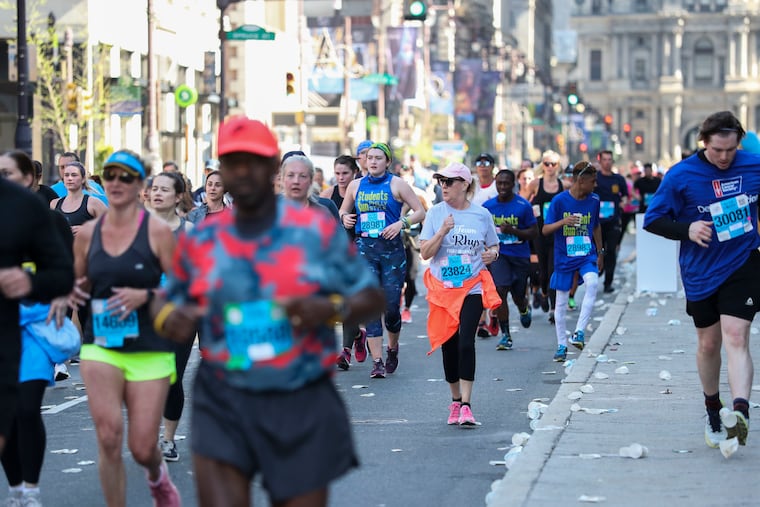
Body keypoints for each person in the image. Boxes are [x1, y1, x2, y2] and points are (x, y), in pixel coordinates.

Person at [152, 115, 384, 507]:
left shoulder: (313, 229)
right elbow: (167, 306)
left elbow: (371, 297)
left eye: (254, 161)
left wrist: (326, 307)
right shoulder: (206, 238)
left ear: (270, 168)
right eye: (233, 162)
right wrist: (175, 316)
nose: (244, 172)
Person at [60, 149, 181, 505]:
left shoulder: (157, 232)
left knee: (142, 447)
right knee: (109, 438)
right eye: (109, 176)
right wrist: (70, 293)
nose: (116, 183)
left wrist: (147, 295)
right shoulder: (88, 235)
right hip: (101, 344)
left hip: (150, 347)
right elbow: (79, 284)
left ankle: (157, 477)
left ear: (139, 186)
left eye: (125, 177)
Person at [644, 111, 760, 449]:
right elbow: (654, 220)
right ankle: (713, 408)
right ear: (703, 143)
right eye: (717, 151)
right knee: (709, 345)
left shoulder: (753, 166)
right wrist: (687, 229)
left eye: (731, 150)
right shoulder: (681, 175)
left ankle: (740, 411)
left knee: (737, 336)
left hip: (743, 262)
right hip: (700, 271)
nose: (724, 158)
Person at [0, 150, 74, 507]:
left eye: (9, 173)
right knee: (6, 417)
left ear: (30, 178)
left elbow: (65, 272)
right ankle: (14, 487)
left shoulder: (48, 219)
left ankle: (30, 490)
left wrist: (49, 290)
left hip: (36, 328)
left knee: (26, 408)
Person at [420, 162, 501, 426]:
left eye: (450, 181)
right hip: (443, 290)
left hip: (472, 287)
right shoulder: (435, 214)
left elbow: (493, 246)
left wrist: (493, 254)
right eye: (441, 181)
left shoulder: (481, 215)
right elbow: (425, 253)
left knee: (467, 341)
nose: (444, 186)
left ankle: (466, 404)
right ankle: (454, 401)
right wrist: (442, 231)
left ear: (465, 184)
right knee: (450, 345)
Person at [339, 142, 425, 378]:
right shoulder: (356, 186)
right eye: (370, 158)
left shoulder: (397, 184)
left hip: (392, 253)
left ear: (387, 162)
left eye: (379, 158)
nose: (373, 161)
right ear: (365, 161)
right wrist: (345, 218)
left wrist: (401, 223)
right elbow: (343, 211)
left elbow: (420, 211)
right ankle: (377, 361)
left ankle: (393, 348)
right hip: (365, 250)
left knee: (391, 310)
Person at [150, 171, 194, 463]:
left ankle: (167, 439)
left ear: (178, 196)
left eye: (164, 190)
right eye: (154, 189)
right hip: (143, 312)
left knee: (171, 376)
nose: (157, 194)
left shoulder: (189, 231)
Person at [542, 161, 603, 362]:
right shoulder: (559, 201)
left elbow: (595, 226)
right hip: (564, 257)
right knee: (560, 303)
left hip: (586, 254)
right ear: (581, 180)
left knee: (593, 283)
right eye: (592, 181)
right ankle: (561, 345)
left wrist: (600, 251)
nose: (595, 185)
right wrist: (563, 222)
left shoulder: (594, 200)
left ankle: (579, 332)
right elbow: (545, 229)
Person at [321, 155, 368, 369]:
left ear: (355, 173)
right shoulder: (327, 197)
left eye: (345, 173)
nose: (341, 177)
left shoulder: (363, 191)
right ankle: (358, 334)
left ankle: (346, 351)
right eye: (337, 173)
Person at [482, 170, 538, 350]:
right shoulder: (488, 206)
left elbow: (534, 232)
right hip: (499, 254)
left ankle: (524, 308)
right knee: (500, 290)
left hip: (520, 255)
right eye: (499, 183)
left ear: (513, 184)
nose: (502, 187)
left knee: (518, 295)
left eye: (506, 184)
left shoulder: (523, 205)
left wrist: (513, 231)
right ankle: (506, 335)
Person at [527, 150, 565, 323]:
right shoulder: (535, 183)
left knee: (553, 270)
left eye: (553, 164)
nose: (549, 167)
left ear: (558, 166)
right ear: (542, 165)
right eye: (546, 163)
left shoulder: (564, 185)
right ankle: (542, 293)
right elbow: (522, 203)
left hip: (557, 233)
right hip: (539, 233)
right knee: (542, 272)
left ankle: (554, 308)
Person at [594, 149, 628, 293]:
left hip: (614, 220)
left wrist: (623, 203)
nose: (607, 162)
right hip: (597, 222)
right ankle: (598, 270)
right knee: (598, 250)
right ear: (600, 161)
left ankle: (608, 282)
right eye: (605, 160)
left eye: (609, 159)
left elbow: (626, 196)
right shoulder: (595, 178)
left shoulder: (618, 179)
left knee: (611, 251)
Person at [50, 161, 108, 236]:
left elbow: (111, 228)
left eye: (74, 175)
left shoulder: (94, 203)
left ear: (83, 179)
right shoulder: (54, 204)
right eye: (66, 175)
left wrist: (88, 230)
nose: (70, 178)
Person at [280, 153, 339, 220]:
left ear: (311, 180)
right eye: (290, 175)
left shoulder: (324, 211)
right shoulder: (269, 210)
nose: (296, 181)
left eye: (303, 176)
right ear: (282, 179)